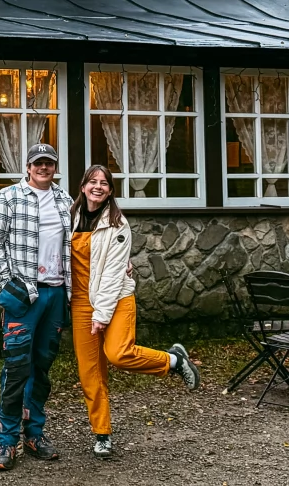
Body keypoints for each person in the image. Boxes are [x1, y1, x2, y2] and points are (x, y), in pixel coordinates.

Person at [70, 165, 200, 460]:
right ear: (83, 185)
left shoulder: (118, 225)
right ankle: (102, 433)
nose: (98, 187)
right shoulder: (69, 216)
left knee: (118, 353)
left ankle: (174, 361)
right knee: (90, 373)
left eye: (104, 183)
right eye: (93, 181)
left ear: (111, 190)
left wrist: (101, 314)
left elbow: (114, 273)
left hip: (115, 299)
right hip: (79, 302)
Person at [0, 143, 73, 471]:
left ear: (55, 167)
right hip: (24, 297)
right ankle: (6, 440)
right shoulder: (7, 198)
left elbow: (80, 243)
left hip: (55, 295)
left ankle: (34, 434)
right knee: (16, 368)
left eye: (49, 163)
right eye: (38, 163)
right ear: (27, 166)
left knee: (42, 368)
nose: (44, 168)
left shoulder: (66, 201)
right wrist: (12, 285)